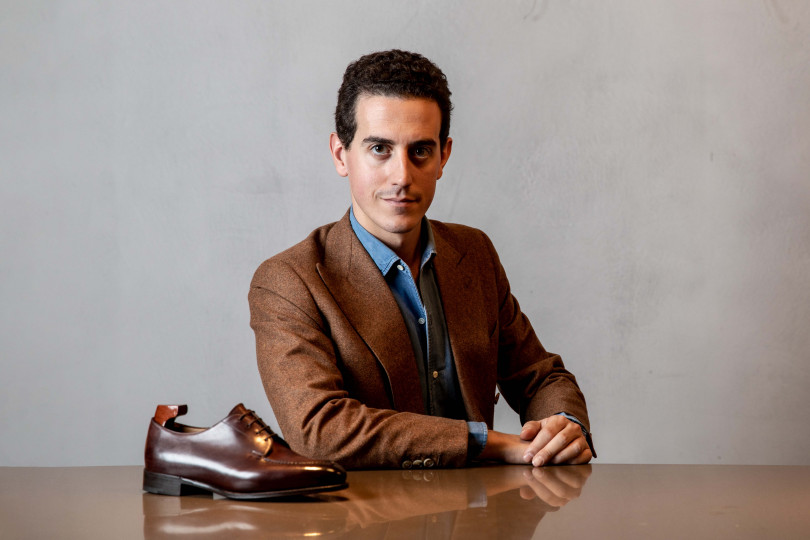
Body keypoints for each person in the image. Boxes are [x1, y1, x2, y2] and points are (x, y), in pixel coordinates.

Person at [249, 49, 595, 469]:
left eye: (420, 151)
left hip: (482, 509)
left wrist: (563, 424)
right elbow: (320, 430)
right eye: (380, 148)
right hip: (364, 511)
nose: (402, 176)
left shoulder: (474, 252)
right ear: (341, 154)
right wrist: (490, 444)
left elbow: (540, 375)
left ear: (443, 156)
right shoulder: (288, 280)